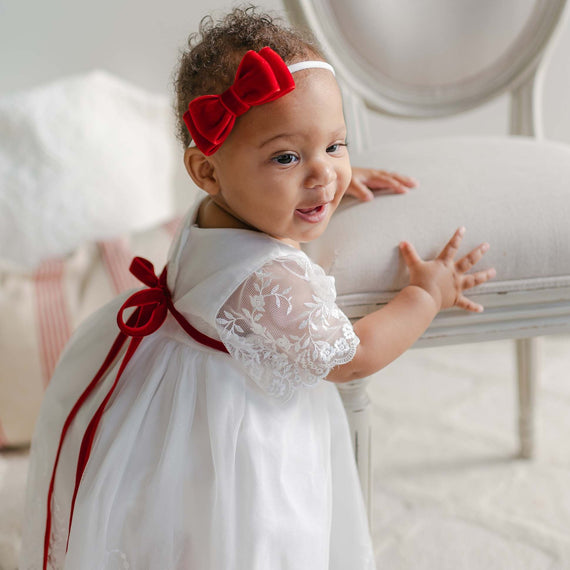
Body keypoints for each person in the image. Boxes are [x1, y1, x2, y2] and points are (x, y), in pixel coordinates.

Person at [19, 7, 495, 570]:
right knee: (251, 540)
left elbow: (297, 180)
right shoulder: (268, 280)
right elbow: (354, 358)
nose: (322, 174)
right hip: (234, 431)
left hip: (171, 391)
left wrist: (325, 182)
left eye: (336, 146)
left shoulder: (213, 211)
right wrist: (427, 294)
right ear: (208, 171)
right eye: (287, 157)